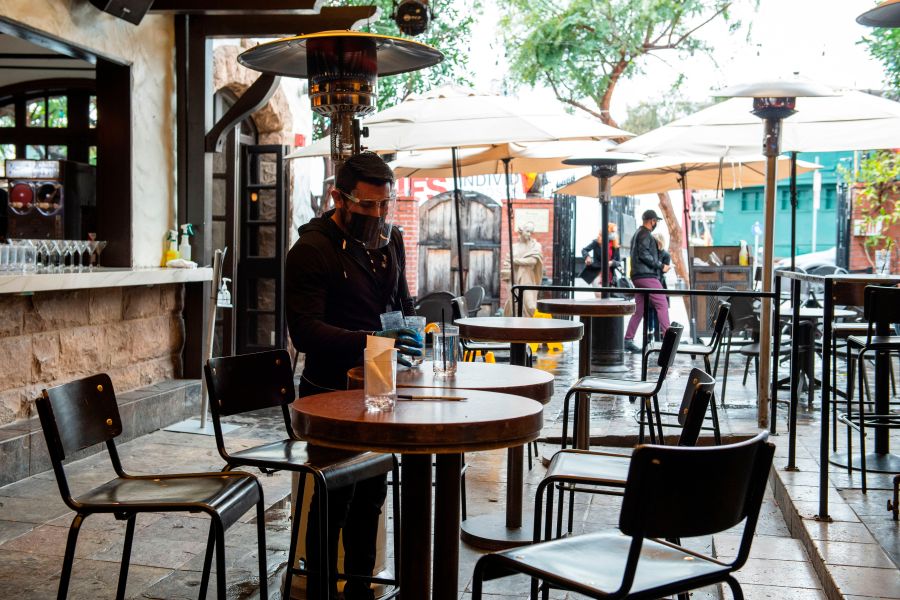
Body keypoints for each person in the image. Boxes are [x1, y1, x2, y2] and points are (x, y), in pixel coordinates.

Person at [285, 152, 423, 599]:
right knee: (332, 500)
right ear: (338, 198)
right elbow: (305, 332)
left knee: (371, 498)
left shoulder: (392, 240)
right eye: (367, 206)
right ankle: (322, 591)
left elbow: (397, 304)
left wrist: (410, 330)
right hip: (327, 393)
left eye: (385, 205)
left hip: (379, 386)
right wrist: (368, 340)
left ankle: (360, 591)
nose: (377, 215)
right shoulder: (311, 249)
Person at [624, 209, 671, 353]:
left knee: (638, 310)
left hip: (638, 276)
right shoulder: (645, 234)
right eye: (655, 221)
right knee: (662, 303)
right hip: (646, 276)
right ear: (652, 221)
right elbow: (644, 254)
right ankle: (669, 339)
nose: (656, 223)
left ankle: (628, 339)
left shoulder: (638, 233)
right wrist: (661, 265)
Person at [502, 221, 544, 317]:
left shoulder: (535, 246)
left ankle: (529, 328)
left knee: (530, 306)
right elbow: (507, 261)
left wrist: (515, 261)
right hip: (514, 278)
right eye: (528, 231)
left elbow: (532, 261)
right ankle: (516, 328)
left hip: (528, 278)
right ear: (521, 231)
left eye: (531, 232)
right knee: (514, 306)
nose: (530, 234)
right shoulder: (514, 247)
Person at [579, 223, 621, 296]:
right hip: (597, 273)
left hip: (610, 275)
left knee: (608, 299)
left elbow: (618, 262)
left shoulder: (615, 245)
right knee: (599, 296)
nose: (614, 234)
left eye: (615, 232)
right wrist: (587, 257)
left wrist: (612, 263)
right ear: (606, 231)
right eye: (612, 231)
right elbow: (584, 250)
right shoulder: (597, 242)